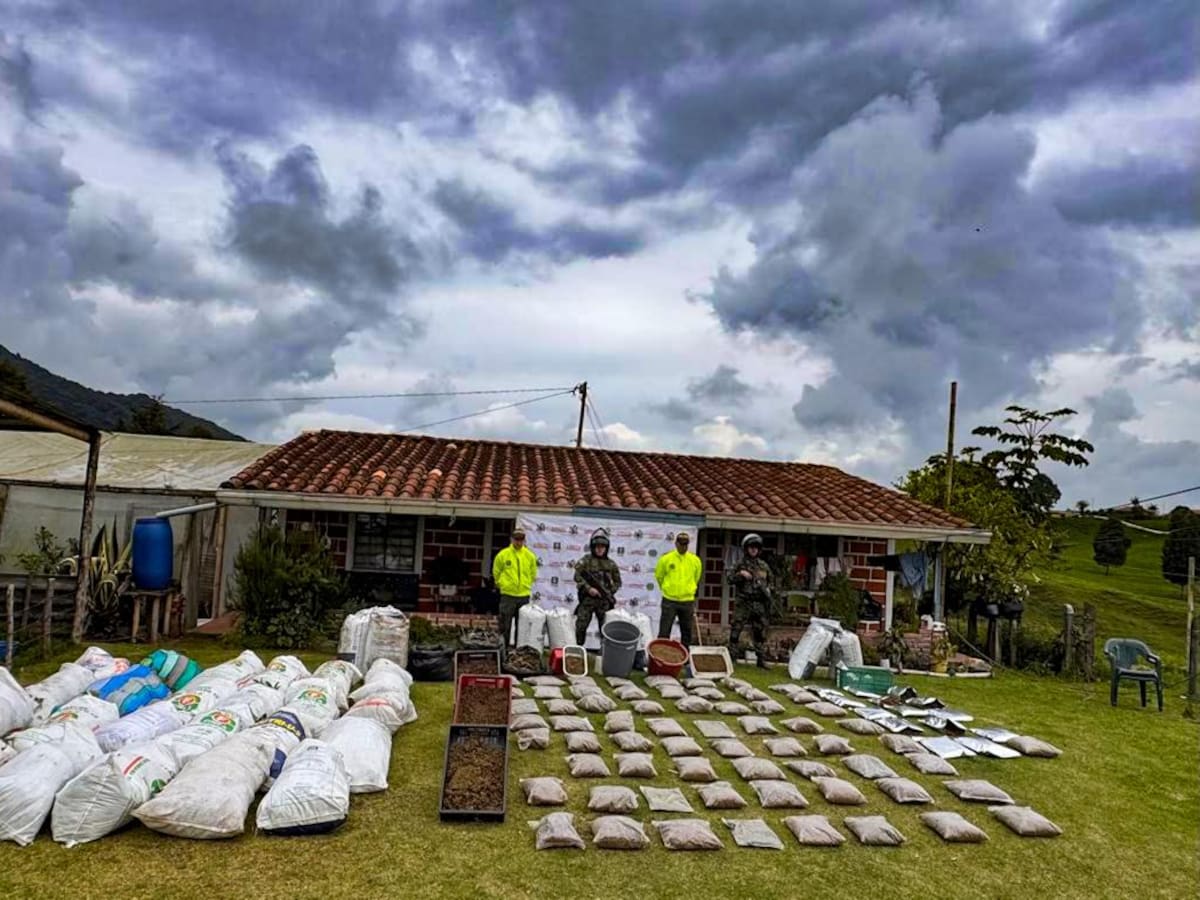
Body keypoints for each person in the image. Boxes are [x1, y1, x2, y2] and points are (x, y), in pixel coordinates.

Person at [728, 533, 772, 668]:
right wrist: (740, 575)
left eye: (756, 548)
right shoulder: (740, 564)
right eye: (751, 547)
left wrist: (769, 590)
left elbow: (771, 582)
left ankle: (761, 660)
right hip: (743, 601)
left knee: (759, 632)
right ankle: (732, 658)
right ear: (746, 549)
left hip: (758, 603)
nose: (753, 550)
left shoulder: (764, 566)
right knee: (736, 630)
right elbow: (729, 579)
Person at [573, 528, 622, 646]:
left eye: (602, 547)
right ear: (593, 547)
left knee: (606, 629)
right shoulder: (586, 560)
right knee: (581, 626)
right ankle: (577, 650)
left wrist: (609, 592)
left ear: (606, 548)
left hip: (604, 602)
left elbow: (618, 582)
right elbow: (577, 576)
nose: (600, 549)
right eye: (597, 547)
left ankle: (605, 653)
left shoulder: (611, 564)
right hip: (588, 600)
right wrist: (589, 589)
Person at [492, 528, 538, 649]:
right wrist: (502, 584)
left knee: (522, 627)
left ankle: (519, 651)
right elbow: (496, 572)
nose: (518, 542)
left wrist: (526, 584)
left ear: (524, 540)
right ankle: (503, 651)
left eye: (521, 539)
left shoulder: (530, 556)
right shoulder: (503, 554)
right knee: (504, 625)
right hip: (508, 595)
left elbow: (533, 573)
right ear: (511, 539)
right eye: (516, 539)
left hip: (523, 595)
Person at [654, 532, 703, 646]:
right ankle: (661, 658)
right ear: (676, 544)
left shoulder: (695, 561)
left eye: (686, 544)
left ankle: (685, 660)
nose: (683, 547)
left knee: (686, 632)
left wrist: (688, 590)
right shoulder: (666, 559)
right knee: (664, 631)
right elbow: (659, 576)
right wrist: (668, 588)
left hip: (687, 601)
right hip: (669, 600)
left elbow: (696, 577)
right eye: (681, 544)